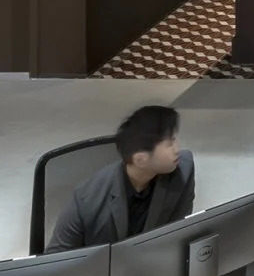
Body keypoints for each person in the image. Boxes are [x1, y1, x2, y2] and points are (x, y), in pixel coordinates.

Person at [46, 103, 193, 249]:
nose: (177, 149)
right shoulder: (87, 199)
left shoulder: (183, 169)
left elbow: (181, 234)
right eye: (169, 144)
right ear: (140, 159)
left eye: (174, 139)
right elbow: (56, 257)